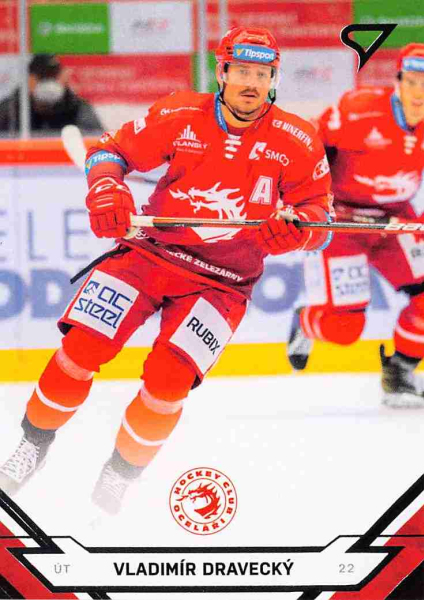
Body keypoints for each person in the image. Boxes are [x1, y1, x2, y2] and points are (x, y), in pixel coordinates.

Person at [0, 26, 333, 515]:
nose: (251, 83)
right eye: (242, 71)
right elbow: (109, 152)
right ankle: (33, 445)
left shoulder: (298, 139)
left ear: (273, 79)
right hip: (148, 255)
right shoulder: (180, 114)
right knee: (82, 349)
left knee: (167, 383)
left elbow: (320, 219)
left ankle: (119, 474)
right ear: (222, 72)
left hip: (223, 284)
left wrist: (299, 231)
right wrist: (107, 190)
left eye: (262, 74)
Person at [287, 43, 424, 408]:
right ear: (399, 82)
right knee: (344, 329)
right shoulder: (358, 110)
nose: (420, 94)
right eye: (413, 82)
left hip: (396, 221)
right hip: (342, 224)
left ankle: (400, 371)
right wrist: (305, 200)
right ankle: (306, 321)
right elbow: (306, 149)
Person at [0, 54, 103, 134]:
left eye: (53, 77)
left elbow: (95, 141)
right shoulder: (9, 109)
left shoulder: (77, 107)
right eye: (42, 77)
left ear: (63, 77)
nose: (49, 83)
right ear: (29, 79)